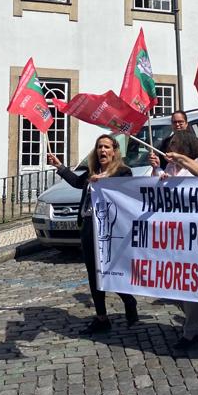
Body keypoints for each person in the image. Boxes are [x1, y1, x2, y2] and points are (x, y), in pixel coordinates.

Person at [47, 135, 138, 335]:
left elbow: (127, 193)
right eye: (99, 147)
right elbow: (78, 183)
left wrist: (104, 182)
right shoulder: (92, 171)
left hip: (109, 228)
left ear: (114, 151)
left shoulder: (123, 172)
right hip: (89, 226)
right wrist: (60, 167)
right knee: (93, 273)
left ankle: (129, 301)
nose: (102, 151)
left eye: (106, 147)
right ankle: (101, 317)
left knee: (110, 270)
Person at [148, 130, 198, 350]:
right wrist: (157, 170)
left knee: (188, 284)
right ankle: (194, 314)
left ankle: (190, 332)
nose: (169, 147)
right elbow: (154, 193)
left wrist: (181, 160)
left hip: (193, 233)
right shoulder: (170, 167)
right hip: (172, 235)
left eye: (174, 144)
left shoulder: (197, 163)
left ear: (185, 145)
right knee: (173, 286)